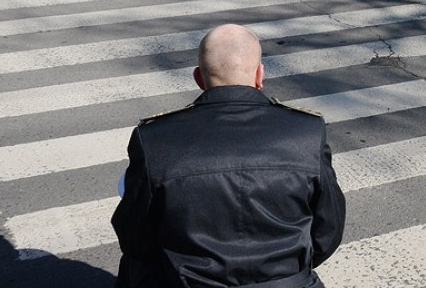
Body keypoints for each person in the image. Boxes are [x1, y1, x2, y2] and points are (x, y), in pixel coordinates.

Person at [112, 24, 346, 287]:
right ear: (259, 74)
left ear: (199, 78)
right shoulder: (307, 131)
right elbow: (327, 232)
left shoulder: (155, 138)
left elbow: (135, 240)